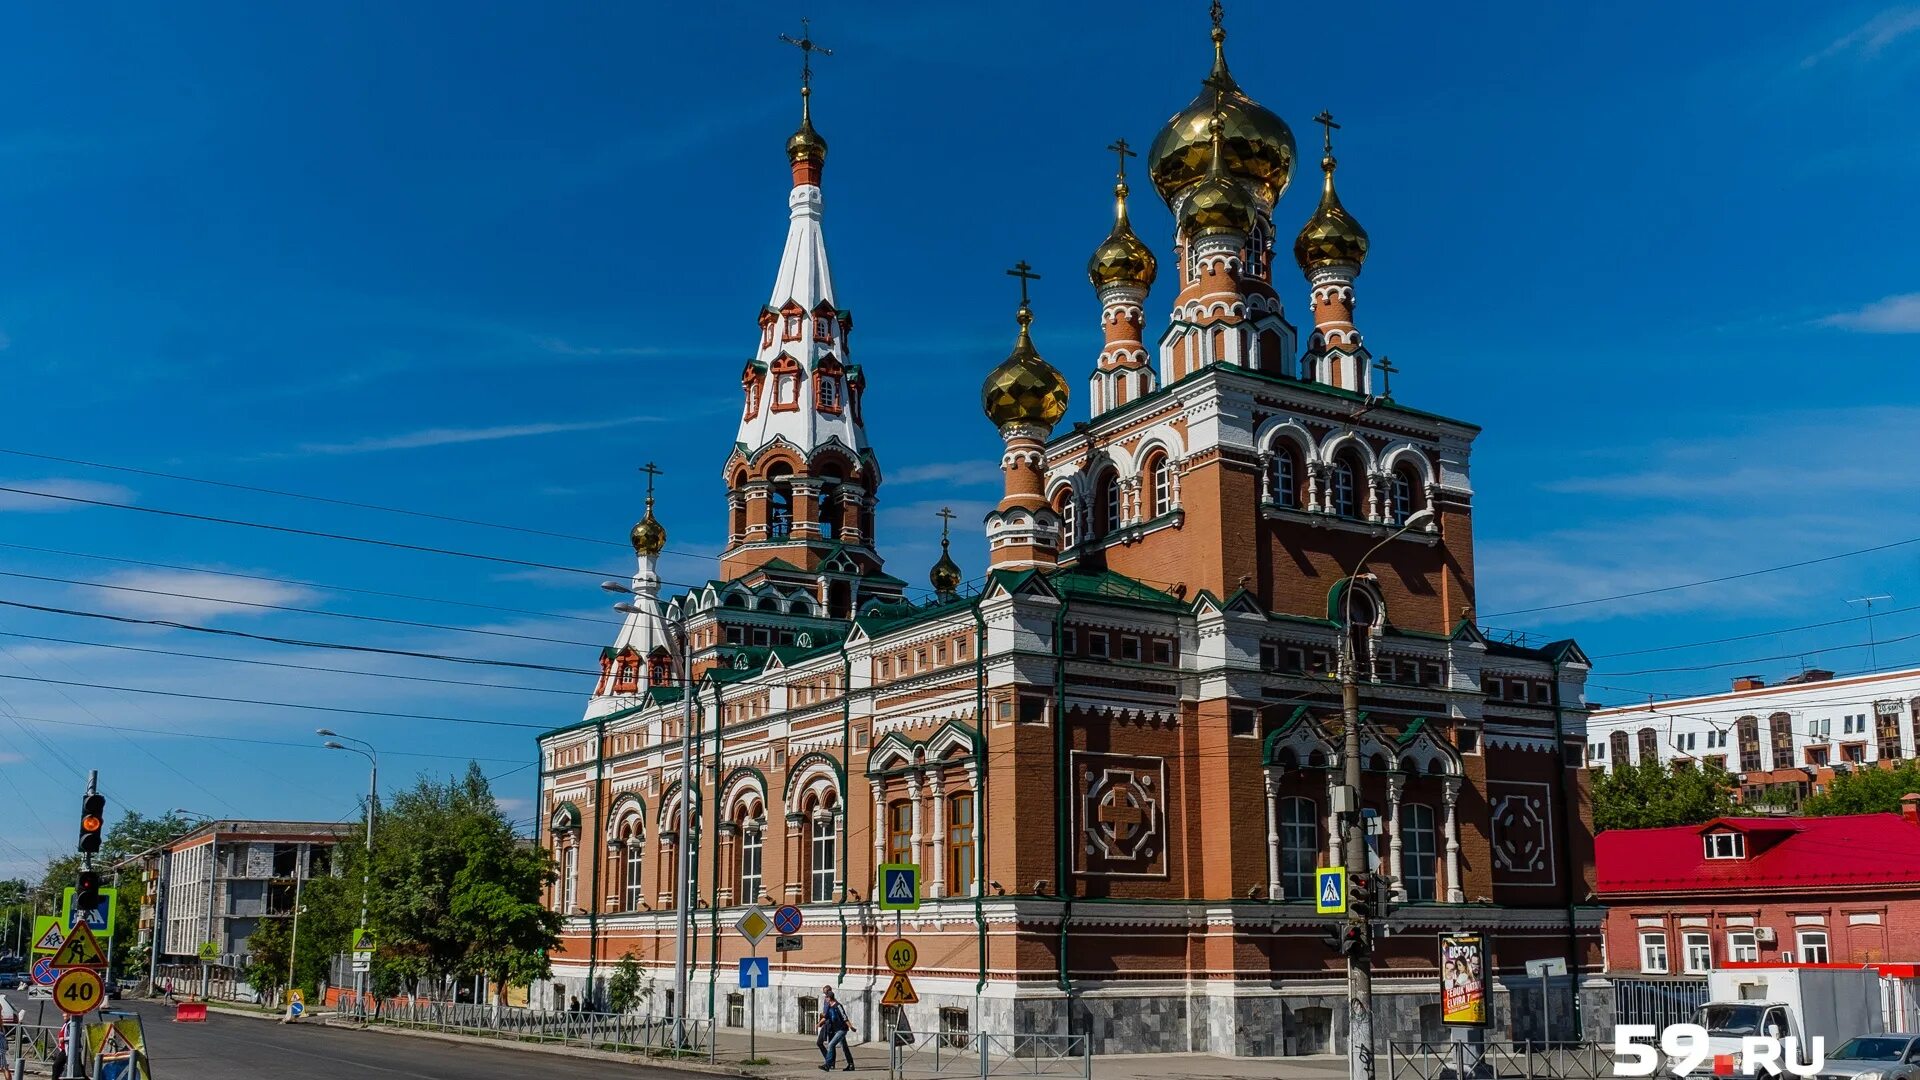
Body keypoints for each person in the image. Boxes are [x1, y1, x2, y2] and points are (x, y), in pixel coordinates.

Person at [818, 986, 855, 1071]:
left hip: (842, 1030)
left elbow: (844, 1017)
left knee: (831, 1045)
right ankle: (851, 1065)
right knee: (844, 1047)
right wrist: (819, 1023)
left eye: (826, 997)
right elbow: (826, 1017)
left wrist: (850, 1026)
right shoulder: (830, 1007)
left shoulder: (838, 1006)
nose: (825, 998)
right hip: (836, 1030)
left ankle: (828, 1065)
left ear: (830, 998)